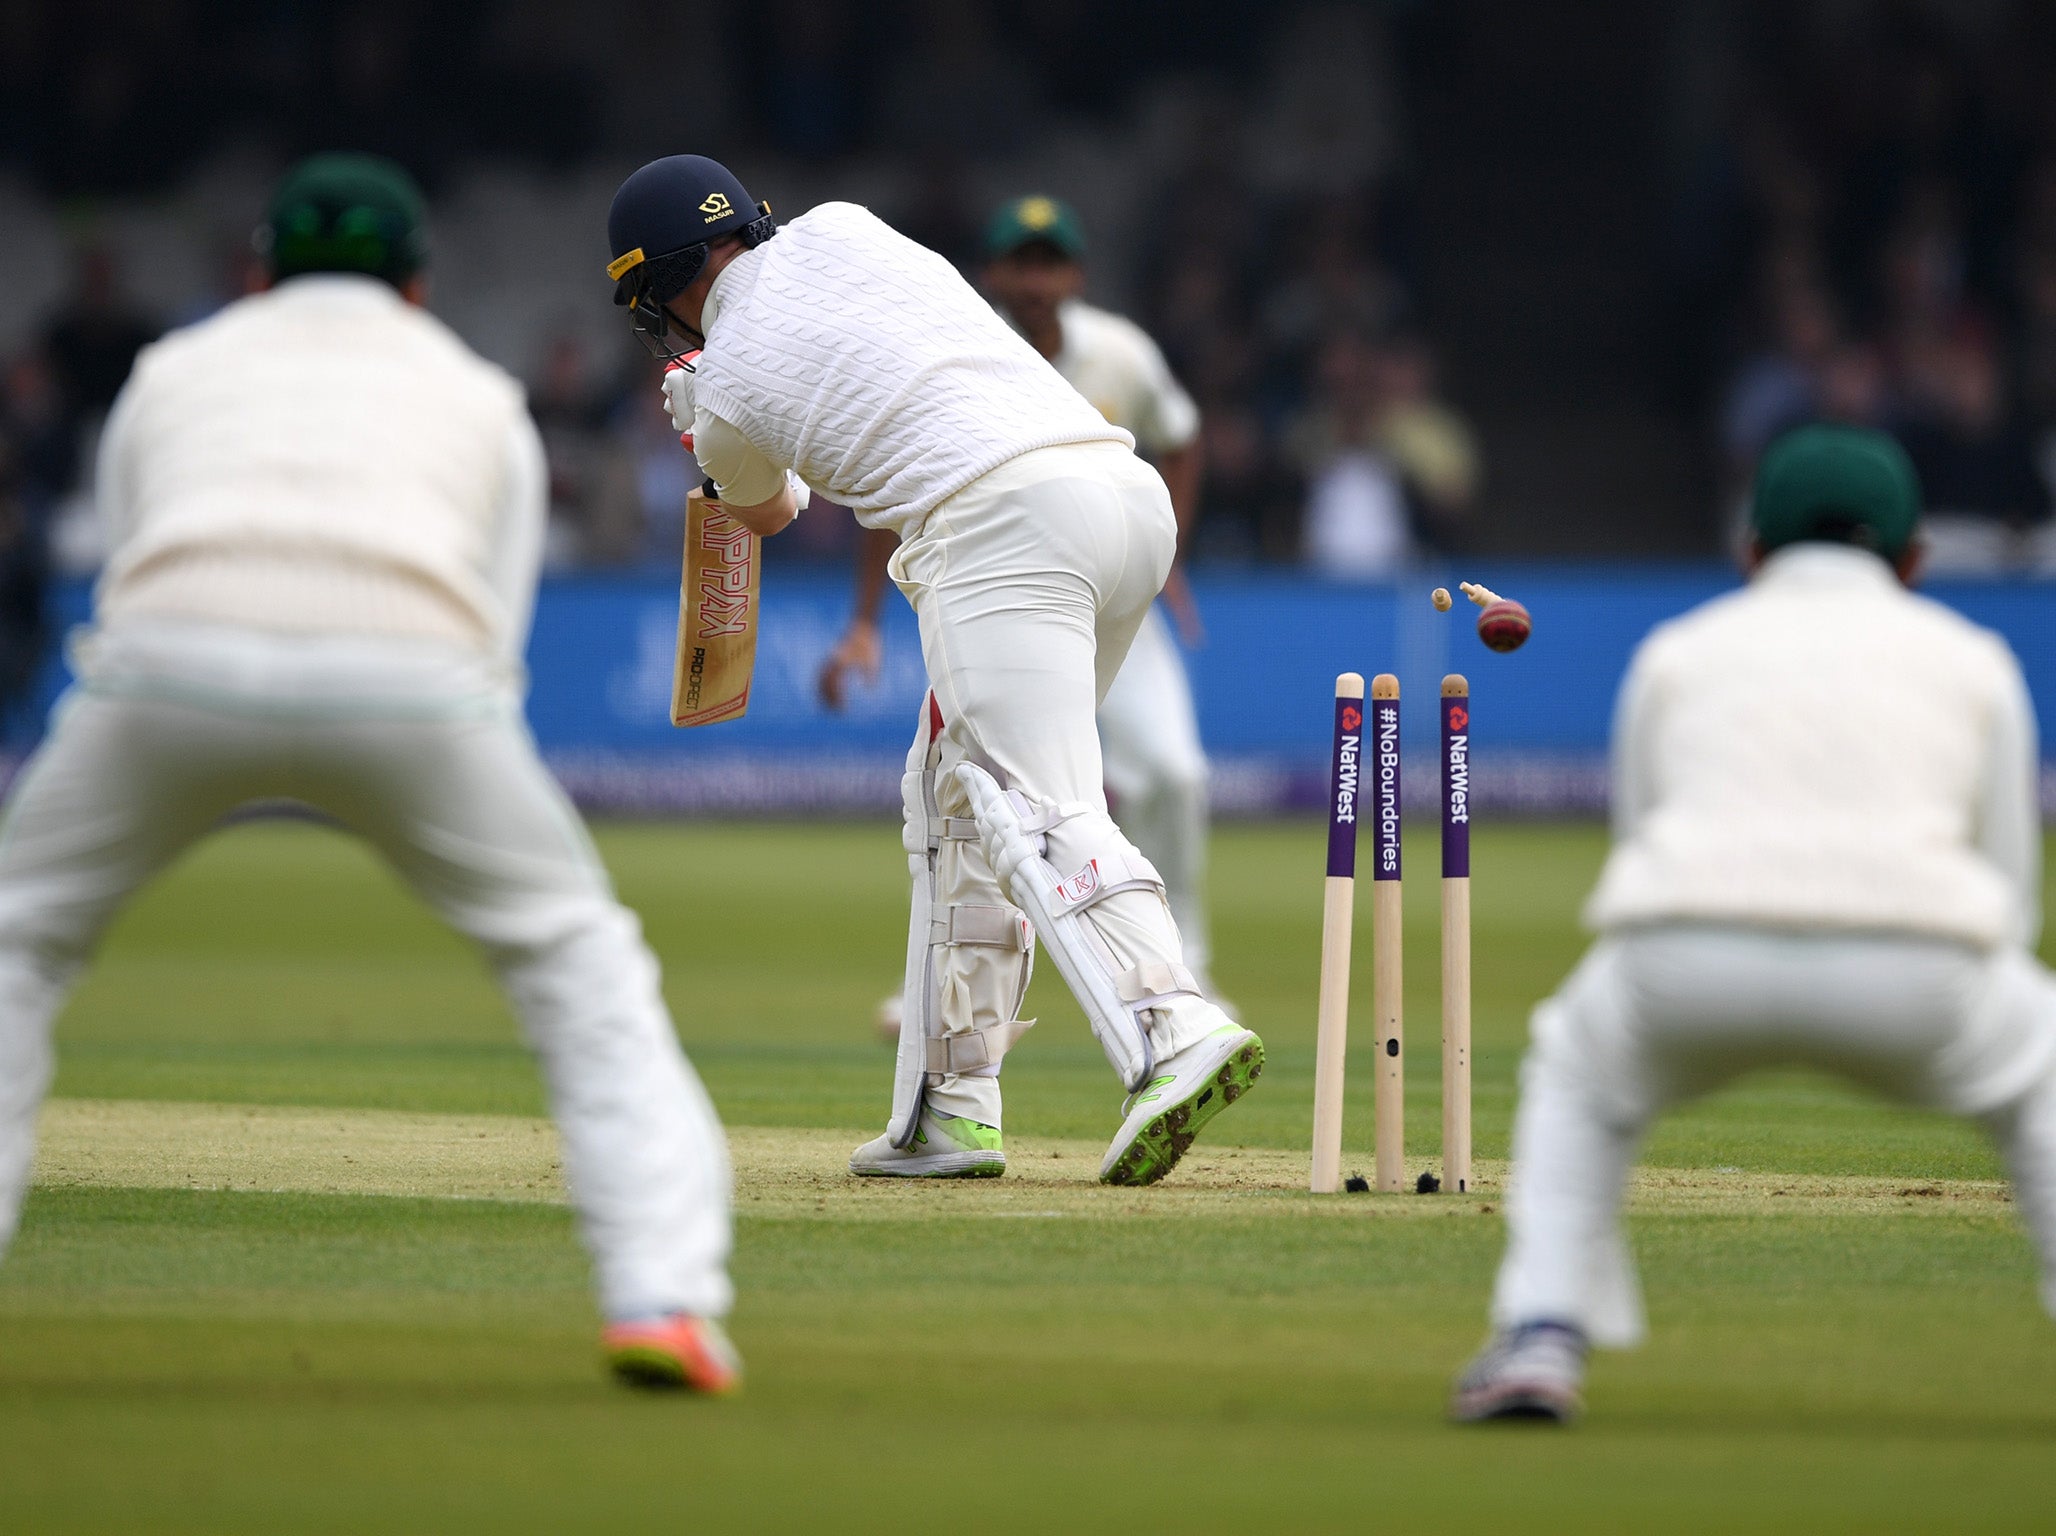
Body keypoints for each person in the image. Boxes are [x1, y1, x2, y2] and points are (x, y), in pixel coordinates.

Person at [0, 155, 740, 1395]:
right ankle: (661, 1297)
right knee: (575, 961)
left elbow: (130, 554)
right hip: (417, 680)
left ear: (256, 269)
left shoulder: (172, 370)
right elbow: (492, 630)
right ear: (415, 283)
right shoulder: (471, 387)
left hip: (168, 664)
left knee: (16, 945)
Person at [605, 156, 1260, 1186]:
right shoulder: (844, 225)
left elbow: (768, 510)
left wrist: (698, 420)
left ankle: (1174, 1030)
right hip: (1121, 495)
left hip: (999, 526)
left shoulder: (721, 378)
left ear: (661, 289)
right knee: (951, 793)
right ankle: (949, 1108)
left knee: (1028, 801)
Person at [1453, 424, 2056, 1423]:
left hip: (1688, 957)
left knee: (1573, 1062)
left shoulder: (1679, 651)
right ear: (1913, 560)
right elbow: (2008, 889)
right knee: (2042, 1066)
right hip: (1915, 967)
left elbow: (1639, 843)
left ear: (1749, 551)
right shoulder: (1975, 659)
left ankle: (1540, 1332)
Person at [817, 194, 1225, 1007]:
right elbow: (889, 490)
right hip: (998, 598)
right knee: (966, 790)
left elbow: (1181, 437)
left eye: (1051, 262)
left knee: (1176, 777)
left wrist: (1168, 547)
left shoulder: (1122, 354)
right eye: (1020, 262)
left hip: (1110, 596)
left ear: (1073, 273)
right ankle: (946, 988)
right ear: (993, 273)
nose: (1035, 280)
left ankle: (1188, 971)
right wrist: (864, 622)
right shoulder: (956, 357)